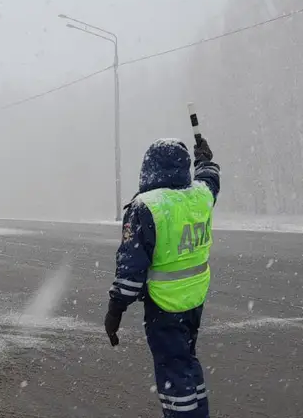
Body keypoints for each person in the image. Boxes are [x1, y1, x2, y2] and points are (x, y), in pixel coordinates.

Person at [105, 137, 220, 417]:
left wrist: (116, 308)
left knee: (173, 371)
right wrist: (205, 160)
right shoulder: (199, 196)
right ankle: (198, 412)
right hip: (194, 298)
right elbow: (210, 180)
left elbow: (131, 268)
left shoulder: (147, 206)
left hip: (164, 304)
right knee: (187, 362)